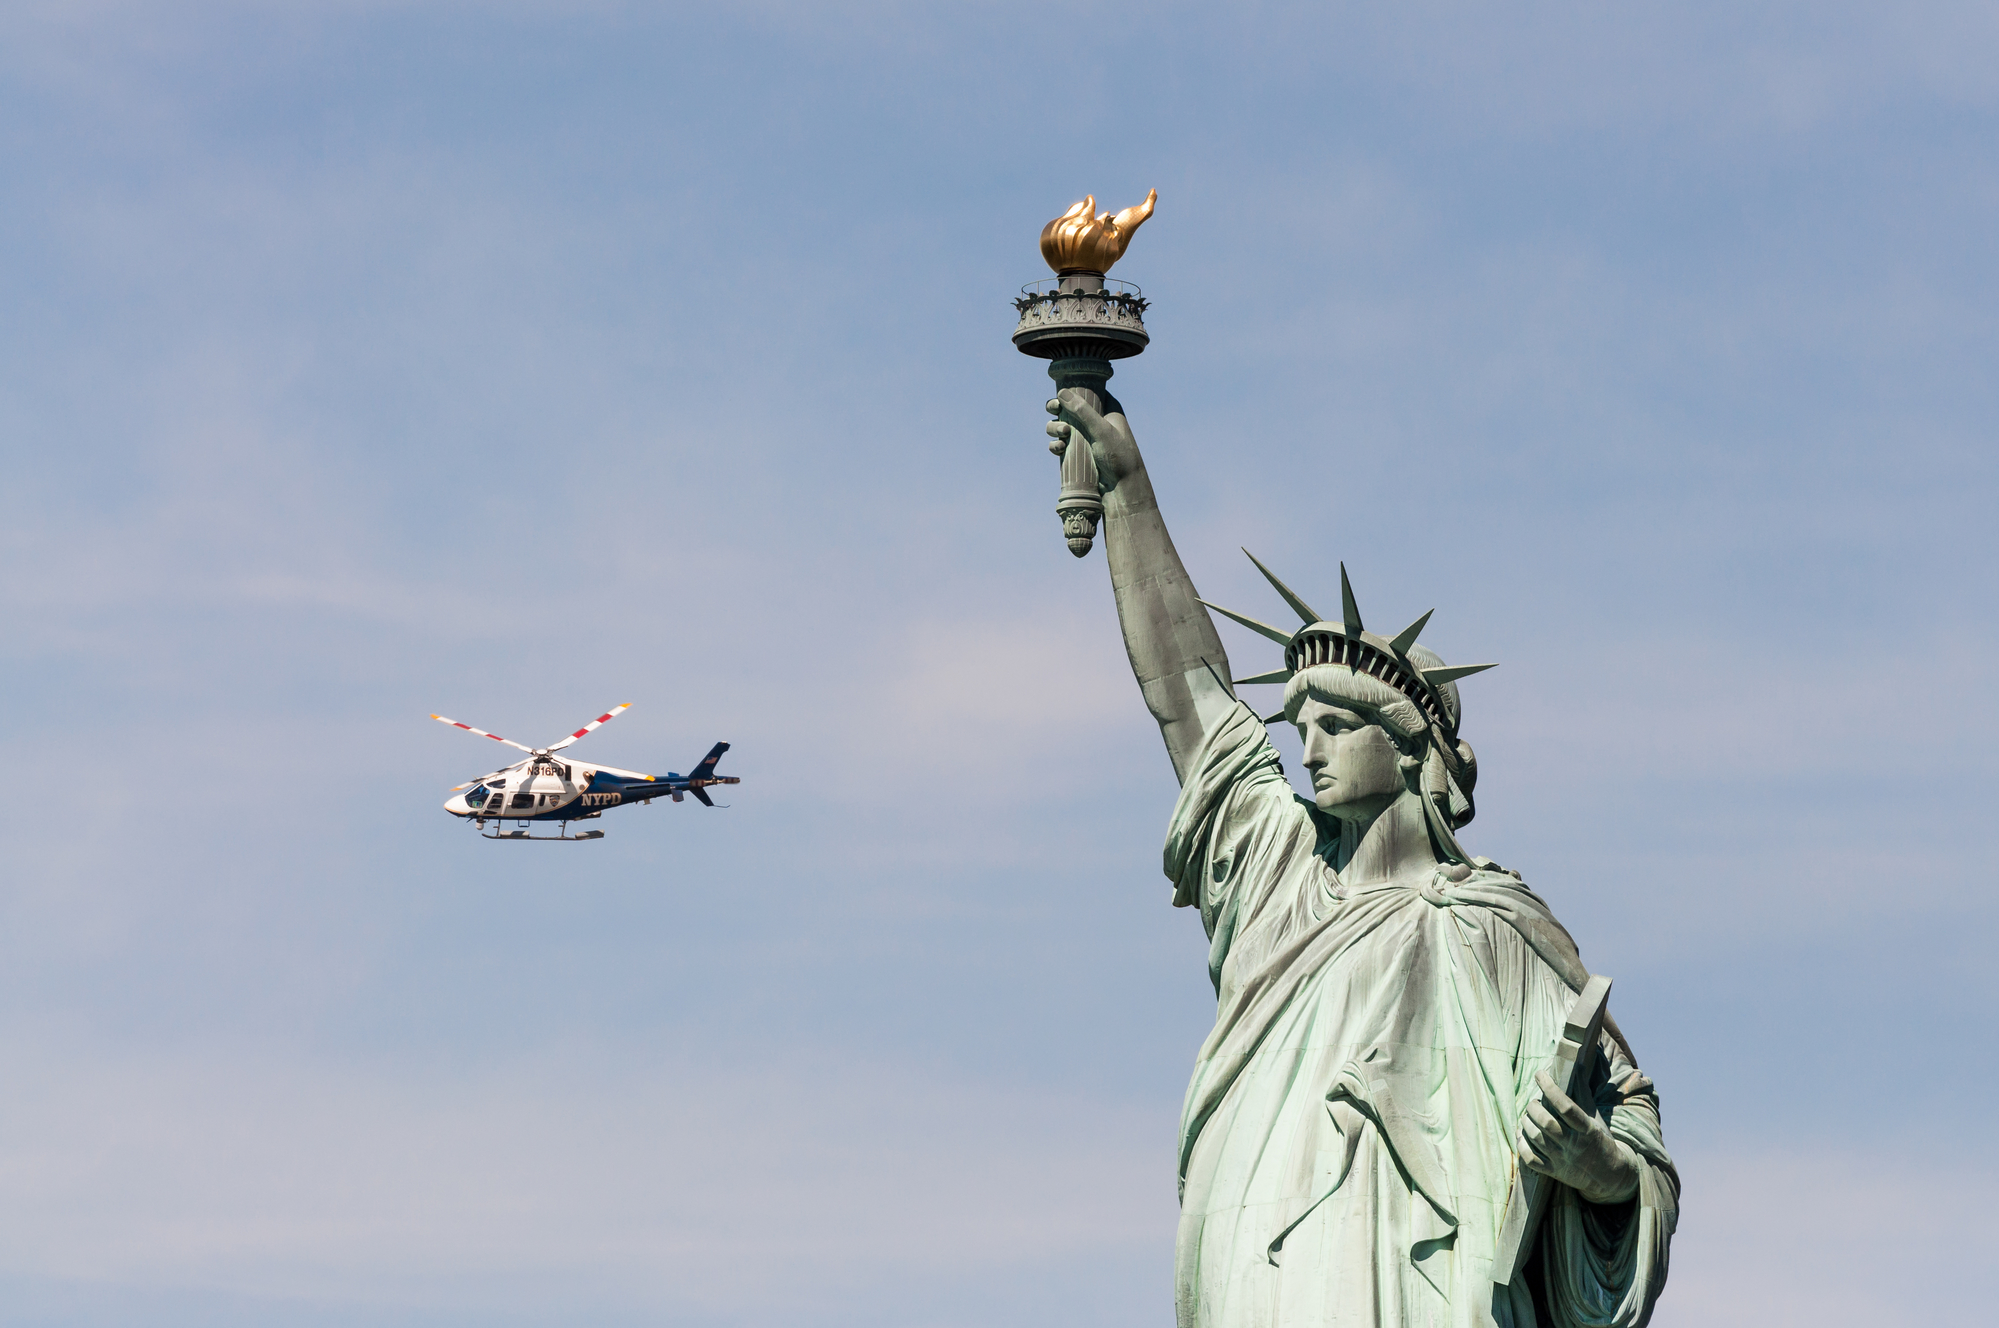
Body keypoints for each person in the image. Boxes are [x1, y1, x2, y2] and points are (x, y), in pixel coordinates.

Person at [1047, 385, 1678, 1328]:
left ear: (1410, 745)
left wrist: (1601, 1170)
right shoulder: (1280, 881)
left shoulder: (1498, 928)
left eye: (1336, 724)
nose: (1306, 749)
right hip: (1261, 1271)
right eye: (1298, 725)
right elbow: (1191, 702)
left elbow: (1632, 1124)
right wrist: (1129, 486)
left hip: (1434, 1284)